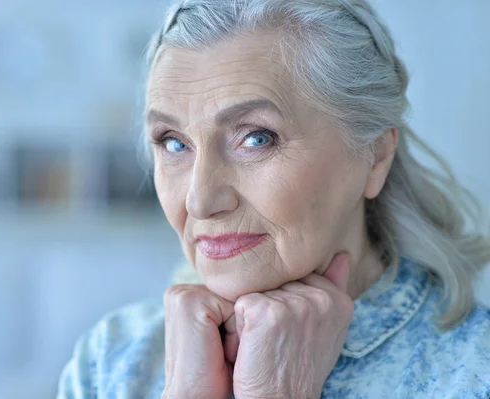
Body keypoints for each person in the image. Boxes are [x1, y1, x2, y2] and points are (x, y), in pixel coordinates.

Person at [57, 0, 490, 397]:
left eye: (257, 138)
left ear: (375, 156)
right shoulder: (112, 362)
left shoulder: (474, 372)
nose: (201, 201)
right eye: (173, 143)